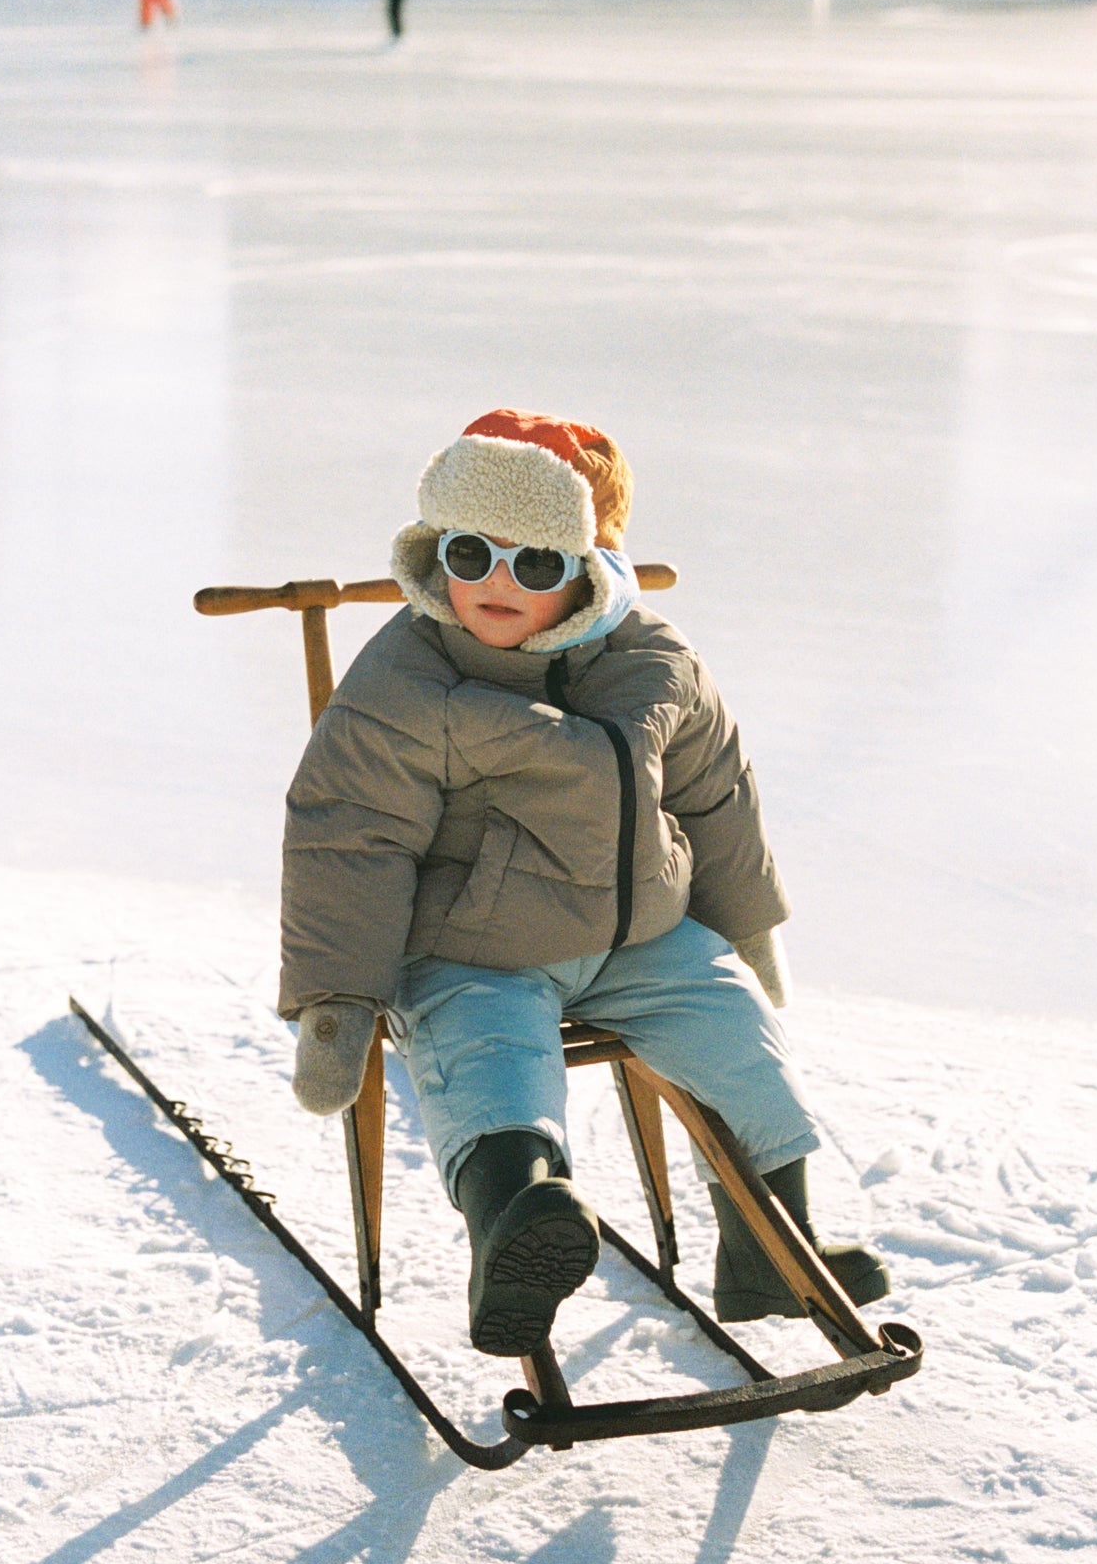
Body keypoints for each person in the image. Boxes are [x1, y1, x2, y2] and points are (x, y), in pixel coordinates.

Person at [280, 409, 890, 1358]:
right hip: (473, 945)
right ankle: (518, 1222)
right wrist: (336, 1001)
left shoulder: (653, 658)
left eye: (534, 563)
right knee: (492, 1056)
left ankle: (773, 1245)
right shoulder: (408, 678)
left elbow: (717, 799)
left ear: (585, 562)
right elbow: (348, 840)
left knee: (738, 1035)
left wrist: (749, 937)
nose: (494, 583)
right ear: (436, 549)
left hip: (641, 931)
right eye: (471, 553)